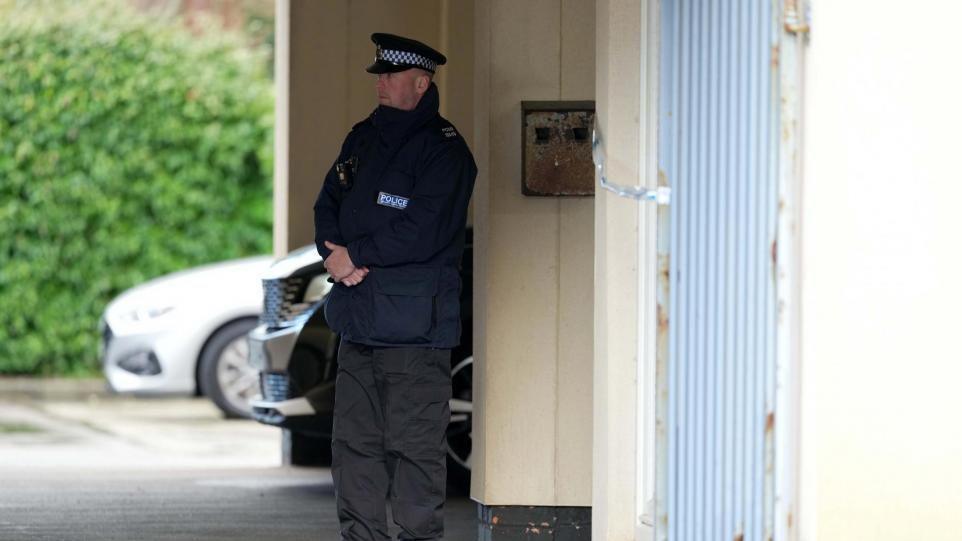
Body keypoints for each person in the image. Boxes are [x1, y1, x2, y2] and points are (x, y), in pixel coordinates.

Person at [312, 32, 477, 541]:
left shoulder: (445, 152)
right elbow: (328, 203)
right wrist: (334, 255)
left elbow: (424, 228)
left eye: (391, 75)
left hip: (413, 332)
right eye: (379, 74)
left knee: (413, 449)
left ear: (420, 83)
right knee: (354, 445)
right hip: (359, 323)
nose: (380, 82)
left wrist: (356, 256)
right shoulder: (363, 137)